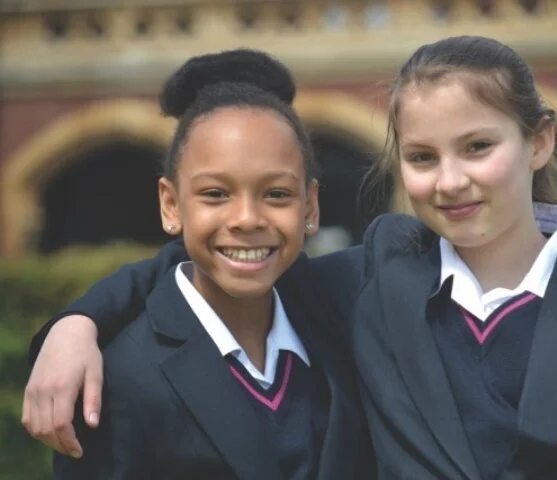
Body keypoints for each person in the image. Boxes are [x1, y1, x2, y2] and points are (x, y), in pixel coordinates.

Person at [25, 37, 557, 479]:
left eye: (478, 148)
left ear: (540, 141)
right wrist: (77, 323)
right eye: (422, 157)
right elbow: (228, 259)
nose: (451, 180)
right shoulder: (379, 275)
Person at [50, 49, 373, 479]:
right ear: (171, 204)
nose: (246, 219)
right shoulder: (116, 379)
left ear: (310, 206)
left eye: (277, 194)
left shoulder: (341, 322)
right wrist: (73, 323)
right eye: (215, 194)